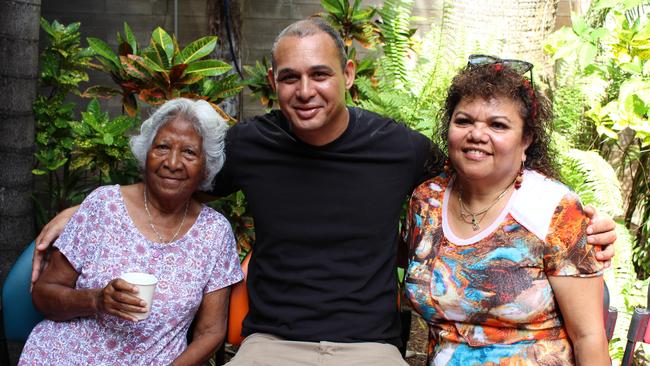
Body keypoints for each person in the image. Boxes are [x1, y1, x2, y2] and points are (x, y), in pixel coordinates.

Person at [31, 20, 617, 366]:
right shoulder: (249, 146)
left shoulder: (403, 150)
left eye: (320, 74)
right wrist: (86, 208)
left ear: (349, 77)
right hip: (270, 343)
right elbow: (175, 184)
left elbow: (487, 178)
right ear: (273, 85)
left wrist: (582, 227)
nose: (305, 90)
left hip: (368, 349)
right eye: (290, 77)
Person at [403, 57, 610, 365]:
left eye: (497, 125)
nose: (477, 134)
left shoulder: (554, 209)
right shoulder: (426, 201)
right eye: (464, 121)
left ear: (526, 140)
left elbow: (589, 336)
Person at [19, 98, 244, 365]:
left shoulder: (214, 233)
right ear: (145, 153)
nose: (172, 162)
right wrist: (96, 300)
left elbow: (211, 332)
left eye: (189, 152)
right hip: (65, 355)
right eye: (162, 147)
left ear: (206, 167)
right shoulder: (103, 206)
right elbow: (44, 295)